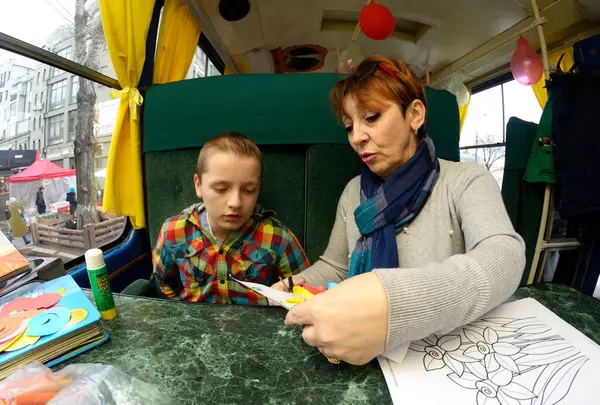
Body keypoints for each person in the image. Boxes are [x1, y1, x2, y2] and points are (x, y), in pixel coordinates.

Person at [273, 55, 526, 366]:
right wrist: (297, 283)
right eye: (349, 127)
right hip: (358, 353)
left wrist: (395, 304)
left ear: (415, 114)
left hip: (444, 358)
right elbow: (337, 266)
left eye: (372, 117)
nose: (357, 138)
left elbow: (504, 255)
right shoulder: (354, 192)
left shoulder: (465, 179)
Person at [152, 132, 310, 304]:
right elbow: (163, 280)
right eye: (221, 189)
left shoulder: (277, 238)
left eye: (249, 190)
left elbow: (302, 289)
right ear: (198, 185)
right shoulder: (173, 232)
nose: (235, 203)